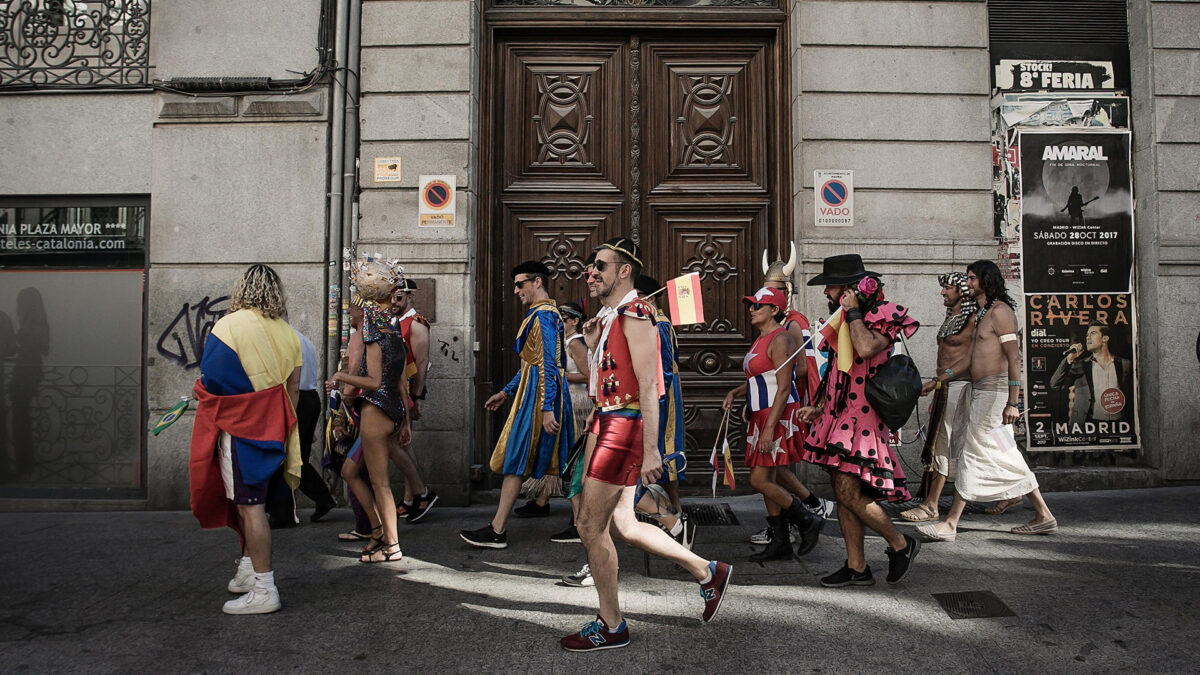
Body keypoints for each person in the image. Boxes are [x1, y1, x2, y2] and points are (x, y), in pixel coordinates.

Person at [561, 238, 731, 652]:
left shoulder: (637, 314)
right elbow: (601, 379)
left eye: (600, 265)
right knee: (623, 524)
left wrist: (653, 450)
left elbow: (651, 385)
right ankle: (708, 572)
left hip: (623, 429)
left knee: (588, 524)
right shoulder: (609, 316)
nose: (591, 272)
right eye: (590, 265)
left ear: (623, 271)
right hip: (607, 423)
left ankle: (612, 625)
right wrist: (584, 341)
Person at [798, 254, 922, 588]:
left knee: (849, 492)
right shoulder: (843, 319)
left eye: (832, 287)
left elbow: (865, 349)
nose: (827, 293)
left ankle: (900, 543)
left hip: (862, 419)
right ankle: (856, 567)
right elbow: (837, 368)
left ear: (850, 289)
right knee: (843, 491)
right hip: (840, 416)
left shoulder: (882, 317)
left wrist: (853, 312)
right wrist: (819, 405)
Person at [188, 264, 303, 615]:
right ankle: (248, 569)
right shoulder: (288, 332)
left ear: (241, 290)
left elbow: (214, 381)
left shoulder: (227, 326)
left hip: (241, 429)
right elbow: (293, 389)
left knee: (249, 506)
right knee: (254, 504)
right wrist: (279, 421)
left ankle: (265, 588)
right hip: (276, 428)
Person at [917, 260, 1058, 540]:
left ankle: (951, 523)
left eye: (971, 279)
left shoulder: (1001, 312)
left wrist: (1013, 402)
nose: (967, 284)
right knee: (1007, 451)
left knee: (972, 450)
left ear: (986, 280)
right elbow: (969, 360)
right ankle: (1043, 515)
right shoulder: (983, 313)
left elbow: (1013, 358)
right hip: (981, 390)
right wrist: (938, 381)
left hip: (996, 393)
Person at [462, 261, 574, 549]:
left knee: (525, 457)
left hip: (539, 398)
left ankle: (499, 530)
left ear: (537, 282)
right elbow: (531, 365)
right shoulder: (540, 315)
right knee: (559, 460)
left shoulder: (544, 316)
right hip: (535, 394)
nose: (515, 291)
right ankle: (580, 523)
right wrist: (506, 392)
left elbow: (549, 364)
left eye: (520, 284)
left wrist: (547, 407)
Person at [722, 286, 823, 562]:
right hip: (762, 413)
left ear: (775, 310)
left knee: (758, 479)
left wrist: (768, 429)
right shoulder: (763, 338)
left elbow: (782, 387)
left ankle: (806, 519)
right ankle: (780, 541)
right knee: (770, 477)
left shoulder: (780, 340)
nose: (752, 309)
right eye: (752, 305)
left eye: (758, 305)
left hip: (774, 416)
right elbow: (760, 378)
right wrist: (737, 392)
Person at [748, 244, 834, 548]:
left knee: (770, 471)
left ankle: (808, 512)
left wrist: (771, 376)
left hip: (785, 405)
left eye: (774, 291)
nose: (766, 297)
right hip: (765, 405)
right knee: (774, 470)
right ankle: (793, 521)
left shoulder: (793, 323)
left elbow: (798, 370)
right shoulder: (771, 325)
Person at [326, 260, 411, 563]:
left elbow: (374, 382)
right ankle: (379, 535)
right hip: (392, 409)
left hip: (376, 410)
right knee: (363, 475)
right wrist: (405, 419)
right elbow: (400, 378)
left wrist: (340, 378)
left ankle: (391, 545)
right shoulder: (393, 327)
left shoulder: (375, 329)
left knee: (381, 484)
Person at [900, 272, 977, 523]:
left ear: (961, 292)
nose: (943, 292)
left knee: (940, 446)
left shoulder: (973, 318)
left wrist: (938, 382)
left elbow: (969, 359)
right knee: (941, 444)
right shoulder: (952, 317)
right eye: (943, 287)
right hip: (945, 388)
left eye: (948, 288)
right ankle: (1017, 491)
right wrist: (937, 387)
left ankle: (931, 504)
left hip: (959, 386)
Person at [631, 274, 694, 549]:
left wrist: (656, 400)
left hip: (662, 394)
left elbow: (665, 365)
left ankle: (676, 514)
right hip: (646, 393)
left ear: (650, 297)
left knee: (665, 448)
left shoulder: (660, 322)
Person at [389, 279, 438, 522]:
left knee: (403, 442)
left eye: (399, 297)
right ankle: (410, 498)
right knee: (402, 443)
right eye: (391, 297)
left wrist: (416, 397)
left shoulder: (416, 324)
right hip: (392, 390)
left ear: (410, 297)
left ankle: (416, 496)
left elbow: (420, 364)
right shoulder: (392, 321)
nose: (393, 302)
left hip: (407, 391)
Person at [549, 301, 593, 546]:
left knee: (575, 461)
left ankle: (580, 521)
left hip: (578, 403)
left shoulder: (575, 343)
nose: (560, 323)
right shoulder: (565, 342)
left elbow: (588, 374)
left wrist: (561, 375)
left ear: (575, 321)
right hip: (569, 401)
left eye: (564, 319)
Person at [292, 325, 338, 524]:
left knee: (292, 458)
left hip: (298, 399)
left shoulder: (286, 339)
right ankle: (321, 498)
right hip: (310, 397)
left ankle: (322, 497)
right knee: (295, 456)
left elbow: (292, 383)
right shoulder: (302, 338)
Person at [1049, 323, 1133, 424]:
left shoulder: (1125, 364)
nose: (1088, 338)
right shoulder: (1080, 366)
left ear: (1105, 338)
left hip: (1119, 425)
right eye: (1087, 335)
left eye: (1092, 333)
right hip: (1089, 425)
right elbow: (1055, 385)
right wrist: (1069, 359)